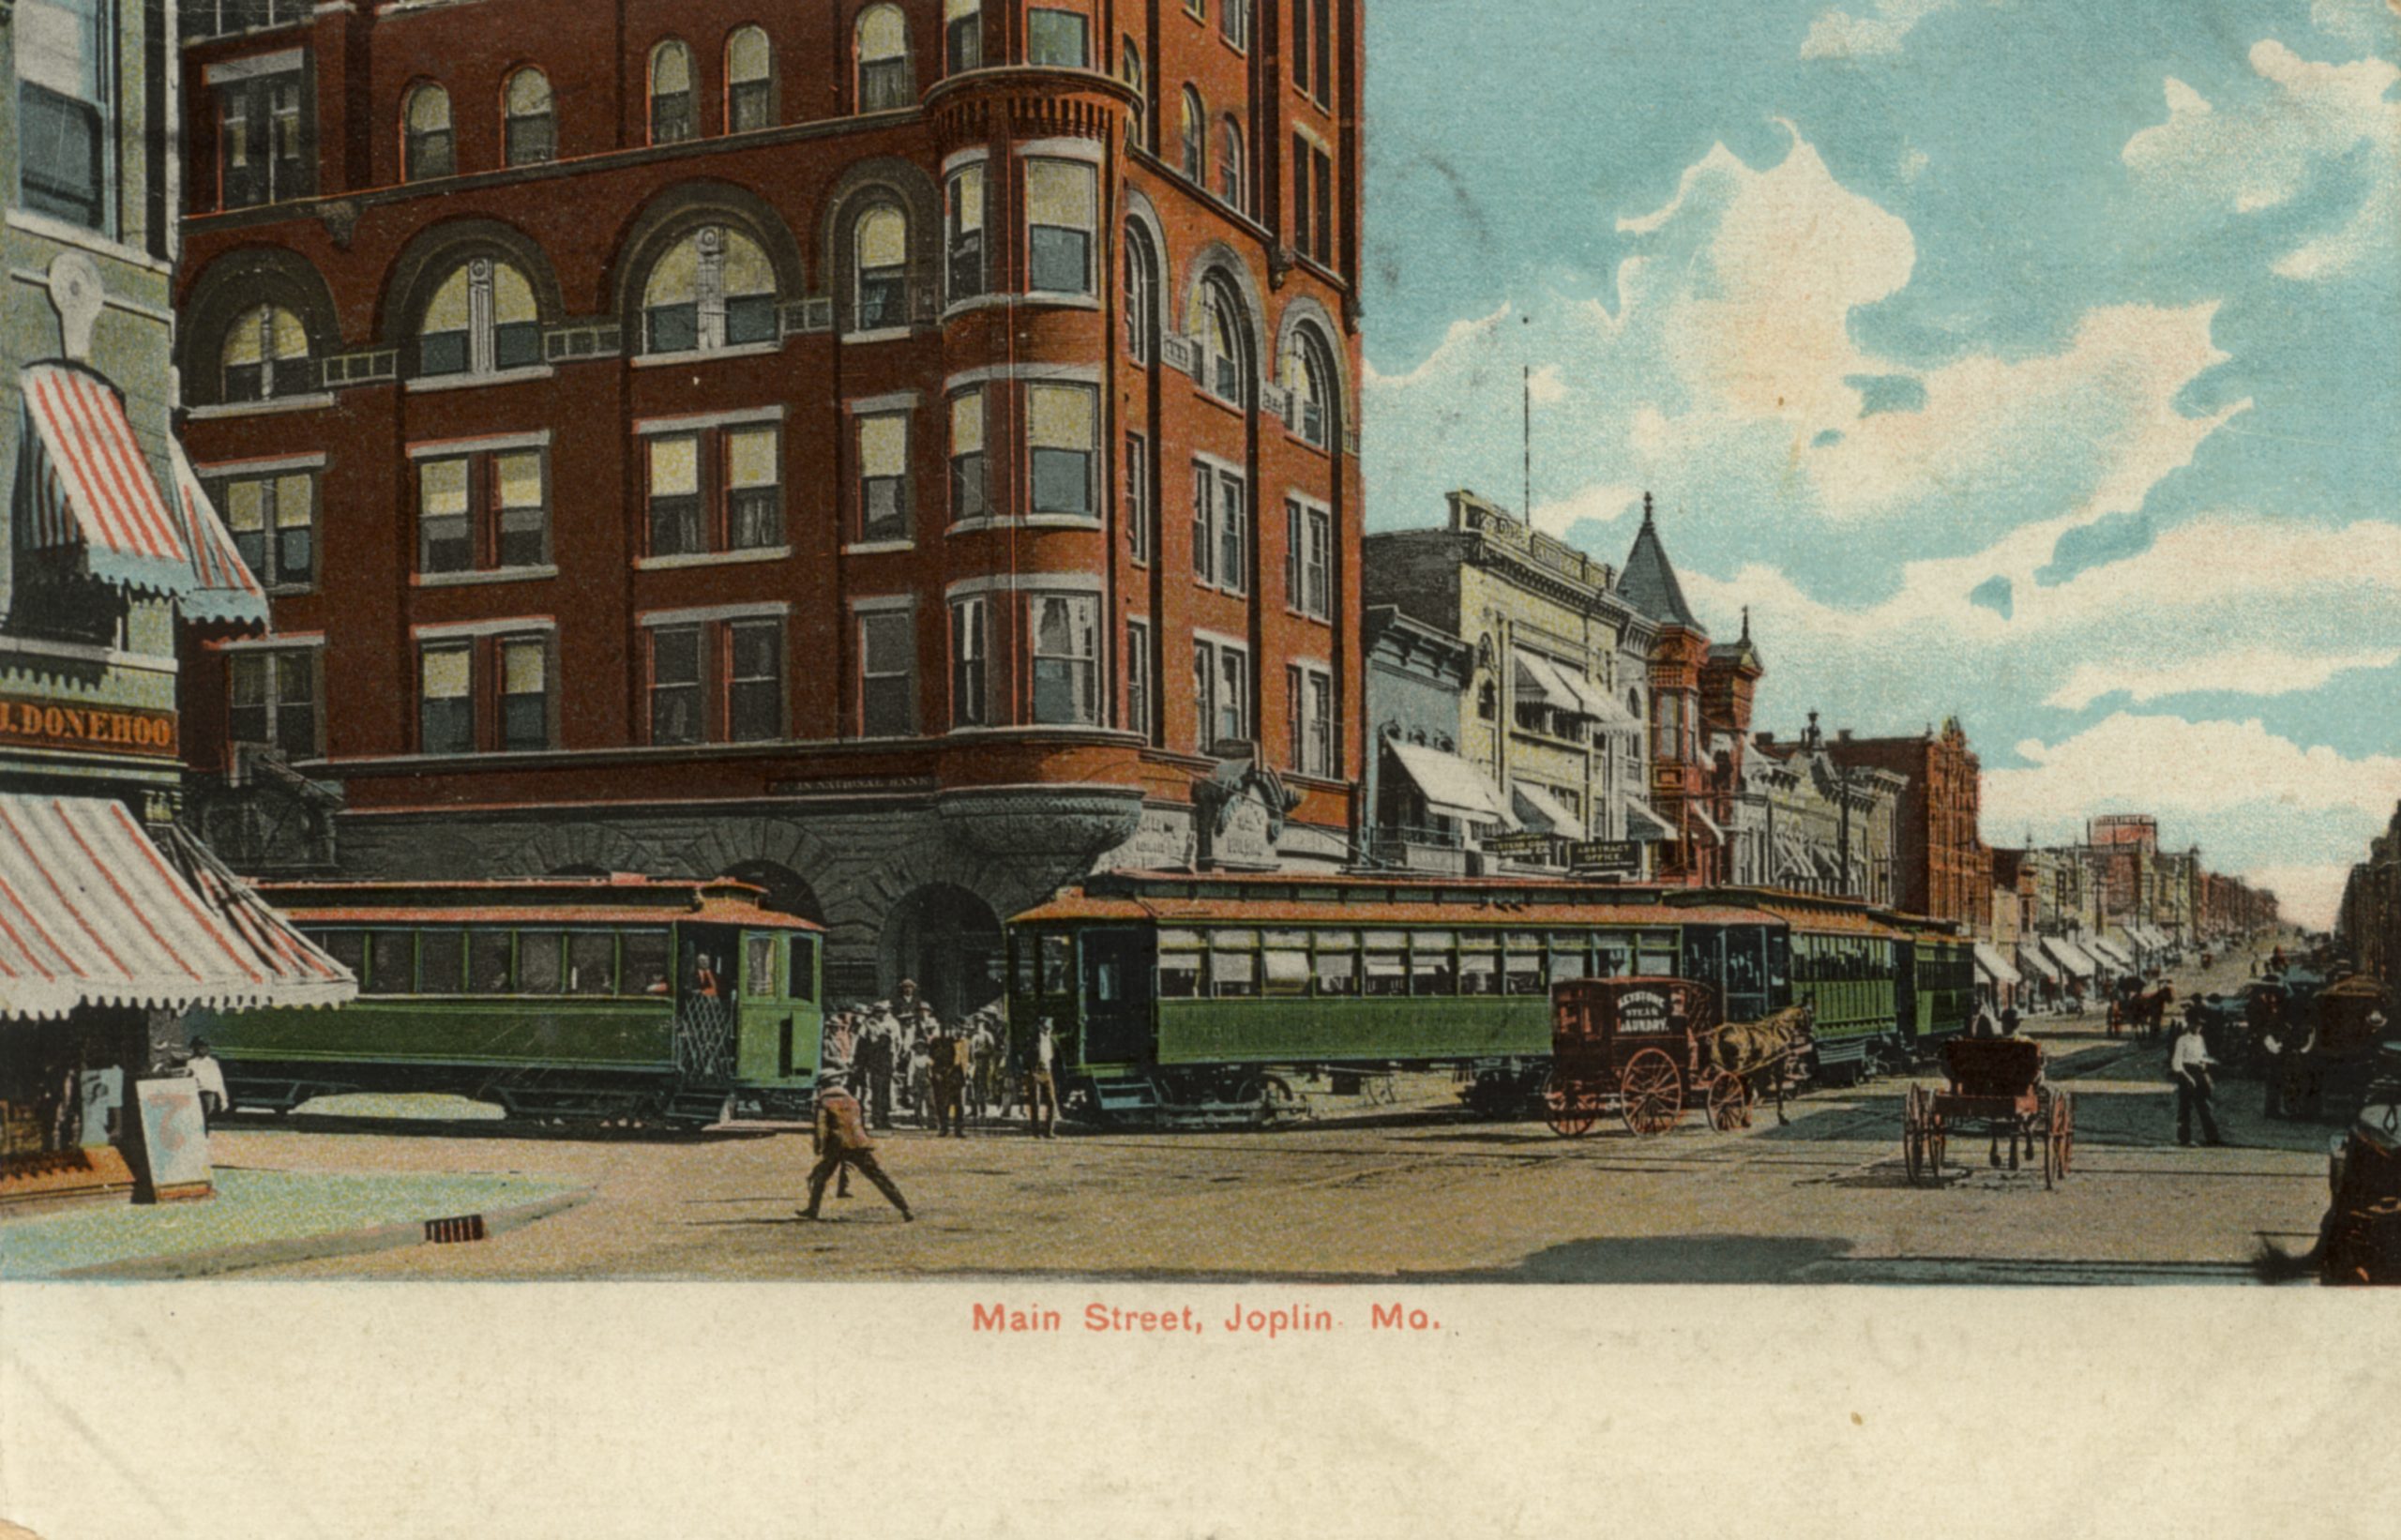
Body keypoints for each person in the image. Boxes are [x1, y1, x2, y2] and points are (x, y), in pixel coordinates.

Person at [798, 1078, 912, 1223]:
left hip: (837, 1145)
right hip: (859, 1143)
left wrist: (819, 1146)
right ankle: (904, 1208)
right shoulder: (852, 1100)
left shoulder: (824, 1103)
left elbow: (821, 1128)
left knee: (820, 1176)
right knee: (878, 1176)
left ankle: (813, 1209)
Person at [2168, 1012, 2224, 1147]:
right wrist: (2187, 1078)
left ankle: (2212, 1138)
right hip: (2186, 1073)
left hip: (2199, 1072)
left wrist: (2207, 1062)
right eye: (2196, 1024)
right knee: (2185, 1108)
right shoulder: (2182, 1040)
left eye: (2200, 1025)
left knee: (2204, 1106)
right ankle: (2184, 1139)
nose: (2199, 1027)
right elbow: (2177, 1063)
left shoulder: (2200, 1039)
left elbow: (2203, 1055)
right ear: (2190, 1024)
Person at [928, 1022, 970, 1138]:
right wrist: (936, 1072)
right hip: (942, 1075)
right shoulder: (937, 1042)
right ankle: (943, 1127)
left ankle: (959, 1129)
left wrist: (968, 1074)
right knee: (942, 1103)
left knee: (958, 1103)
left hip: (957, 1075)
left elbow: (966, 1060)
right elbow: (932, 1058)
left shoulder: (963, 1042)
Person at [1024, 1019, 1061, 1140]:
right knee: (1035, 1102)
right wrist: (1029, 1071)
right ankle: (1036, 1131)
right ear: (1040, 1027)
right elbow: (1026, 1055)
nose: (1048, 1030)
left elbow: (1056, 1058)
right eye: (1046, 1028)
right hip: (1035, 1072)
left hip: (1047, 1072)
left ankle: (1049, 1130)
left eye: (1049, 1028)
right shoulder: (1033, 1040)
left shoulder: (1052, 1040)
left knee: (1052, 1101)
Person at [187, 1038, 229, 1127]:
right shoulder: (191, 1062)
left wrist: (223, 1100)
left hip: (209, 1092)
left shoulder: (212, 1063)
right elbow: (189, 1078)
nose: (203, 1050)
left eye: (205, 1047)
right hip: (197, 1092)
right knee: (199, 1117)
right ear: (196, 1048)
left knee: (207, 1115)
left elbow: (219, 1081)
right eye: (200, 1047)